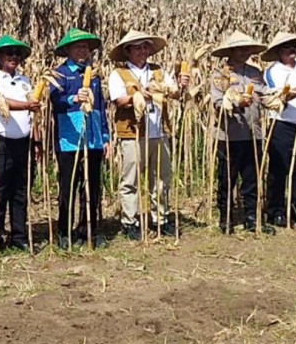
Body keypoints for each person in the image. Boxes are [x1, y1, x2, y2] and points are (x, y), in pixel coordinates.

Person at [107, 30, 189, 240]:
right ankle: (130, 221)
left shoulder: (158, 71)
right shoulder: (119, 73)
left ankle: (160, 218)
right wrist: (136, 96)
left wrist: (181, 85)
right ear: (127, 51)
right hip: (133, 133)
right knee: (131, 180)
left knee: (161, 178)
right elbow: (118, 100)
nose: (143, 51)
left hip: (159, 132)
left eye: (145, 47)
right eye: (138, 48)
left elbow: (174, 93)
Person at [0, 35, 41, 253]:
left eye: (17, 54)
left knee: (21, 190)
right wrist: (27, 105)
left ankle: (19, 235)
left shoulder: (25, 81)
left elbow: (33, 114)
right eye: (9, 53)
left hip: (23, 142)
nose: (14, 57)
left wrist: (36, 140)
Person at [50, 28, 109, 248]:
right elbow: (56, 101)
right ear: (67, 50)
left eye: (85, 47)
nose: (82, 50)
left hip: (92, 139)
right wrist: (74, 98)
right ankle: (64, 232)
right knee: (69, 188)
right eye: (78, 47)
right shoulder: (60, 74)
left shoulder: (93, 75)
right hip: (70, 139)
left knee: (92, 188)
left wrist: (105, 136)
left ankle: (87, 231)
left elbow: (101, 107)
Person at [208, 32, 269, 235]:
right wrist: (237, 103)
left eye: (247, 49)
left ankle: (252, 217)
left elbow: (265, 96)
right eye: (240, 49)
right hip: (229, 136)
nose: (245, 53)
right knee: (227, 179)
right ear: (231, 51)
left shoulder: (255, 72)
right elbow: (217, 102)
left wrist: (282, 96)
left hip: (253, 134)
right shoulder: (220, 74)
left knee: (252, 179)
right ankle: (226, 219)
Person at [261, 32, 296, 228]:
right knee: (279, 169)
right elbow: (279, 99)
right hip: (281, 124)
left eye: (294, 46)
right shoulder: (273, 72)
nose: (292, 50)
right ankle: (275, 210)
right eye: (287, 47)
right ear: (278, 51)